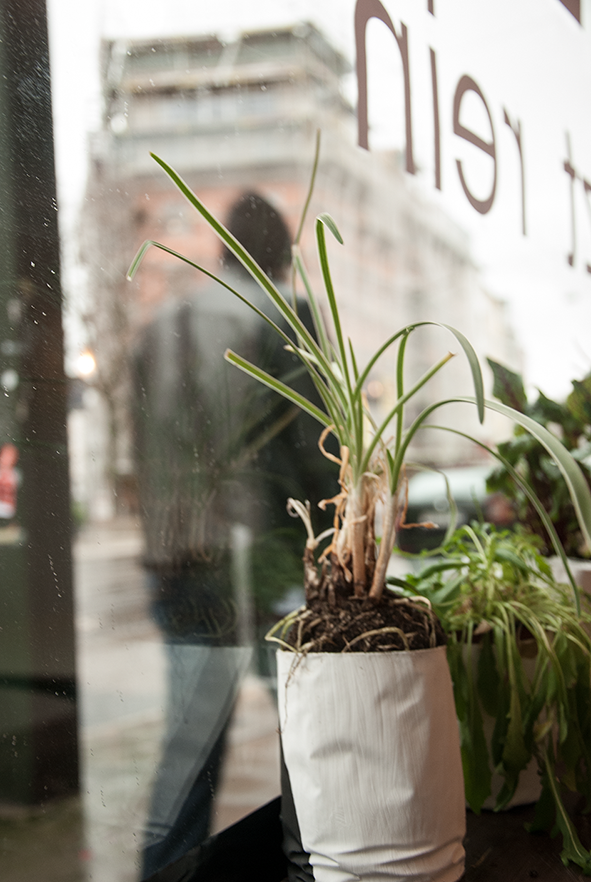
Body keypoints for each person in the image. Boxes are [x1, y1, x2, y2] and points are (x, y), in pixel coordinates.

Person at [131, 192, 334, 879]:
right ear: (281, 257)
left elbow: (145, 454)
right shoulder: (285, 315)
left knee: (189, 757)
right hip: (267, 564)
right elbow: (317, 452)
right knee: (312, 740)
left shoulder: (162, 325)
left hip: (178, 561)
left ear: (224, 251)